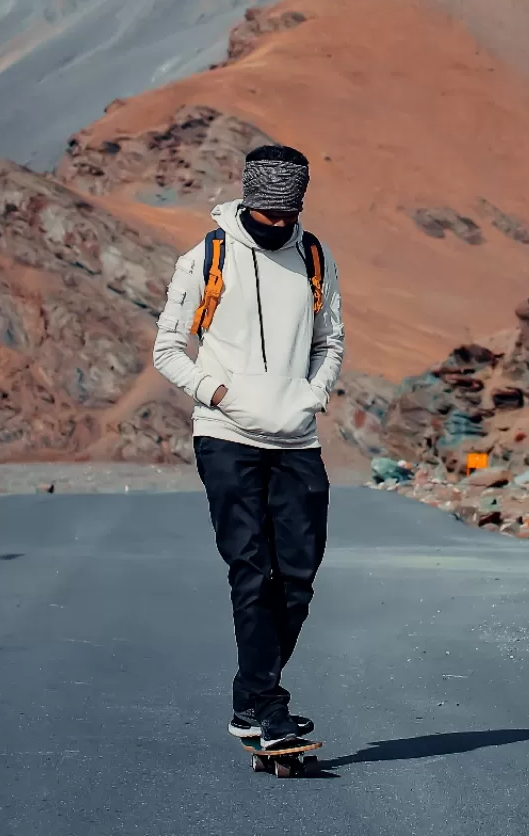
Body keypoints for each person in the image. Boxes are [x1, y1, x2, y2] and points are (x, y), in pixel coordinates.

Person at [152, 143, 344, 750]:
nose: (279, 227)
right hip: (226, 437)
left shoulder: (314, 256)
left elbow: (330, 340)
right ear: (250, 203)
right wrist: (222, 394)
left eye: (289, 217)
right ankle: (271, 706)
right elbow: (167, 352)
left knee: (299, 574)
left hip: (297, 437)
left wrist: (310, 396)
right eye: (270, 218)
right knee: (251, 571)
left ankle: (248, 697)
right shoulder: (204, 259)